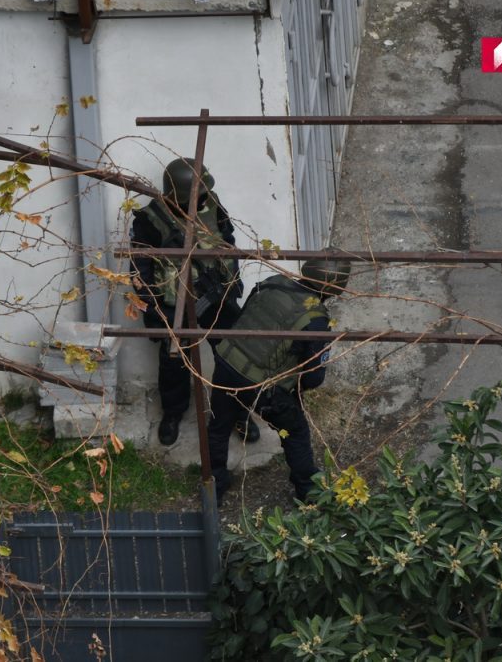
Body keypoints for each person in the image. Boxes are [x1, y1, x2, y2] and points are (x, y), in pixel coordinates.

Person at [130, 157, 260, 446]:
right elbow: (141, 268)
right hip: (175, 304)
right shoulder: (151, 220)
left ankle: (240, 411)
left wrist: (230, 281)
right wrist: (155, 307)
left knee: (234, 352)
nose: (203, 198)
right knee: (173, 359)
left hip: (213, 296)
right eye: (197, 195)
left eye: (204, 193)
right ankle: (174, 413)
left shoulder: (212, 205)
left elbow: (227, 242)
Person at [207, 257, 351, 504]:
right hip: (261, 388)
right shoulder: (316, 318)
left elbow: (243, 320)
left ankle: (214, 487)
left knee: (218, 426)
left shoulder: (272, 282)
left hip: (227, 365)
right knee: (295, 431)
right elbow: (314, 378)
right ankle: (308, 491)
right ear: (336, 289)